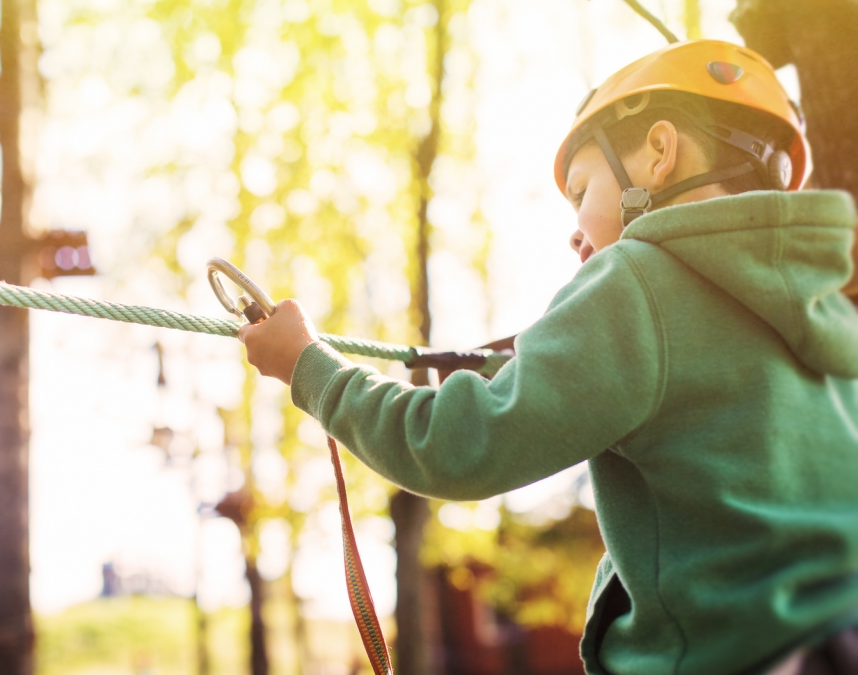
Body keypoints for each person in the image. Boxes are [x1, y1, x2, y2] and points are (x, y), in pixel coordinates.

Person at [238, 40, 858, 675]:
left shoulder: (640, 279)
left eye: (583, 187)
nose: (573, 231)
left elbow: (456, 445)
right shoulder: (831, 311)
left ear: (660, 153)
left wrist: (309, 368)